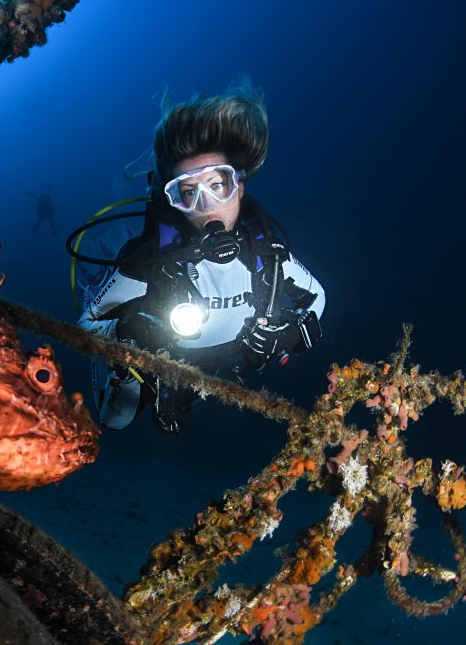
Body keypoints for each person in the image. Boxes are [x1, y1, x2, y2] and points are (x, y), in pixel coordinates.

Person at [78, 89, 326, 433]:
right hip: (170, 357)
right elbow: (86, 323)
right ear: (173, 200)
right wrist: (125, 330)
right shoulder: (151, 262)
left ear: (238, 187)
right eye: (188, 193)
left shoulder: (266, 254)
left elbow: (318, 298)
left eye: (216, 185)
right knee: (115, 419)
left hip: (227, 355)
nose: (206, 205)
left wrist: (289, 336)